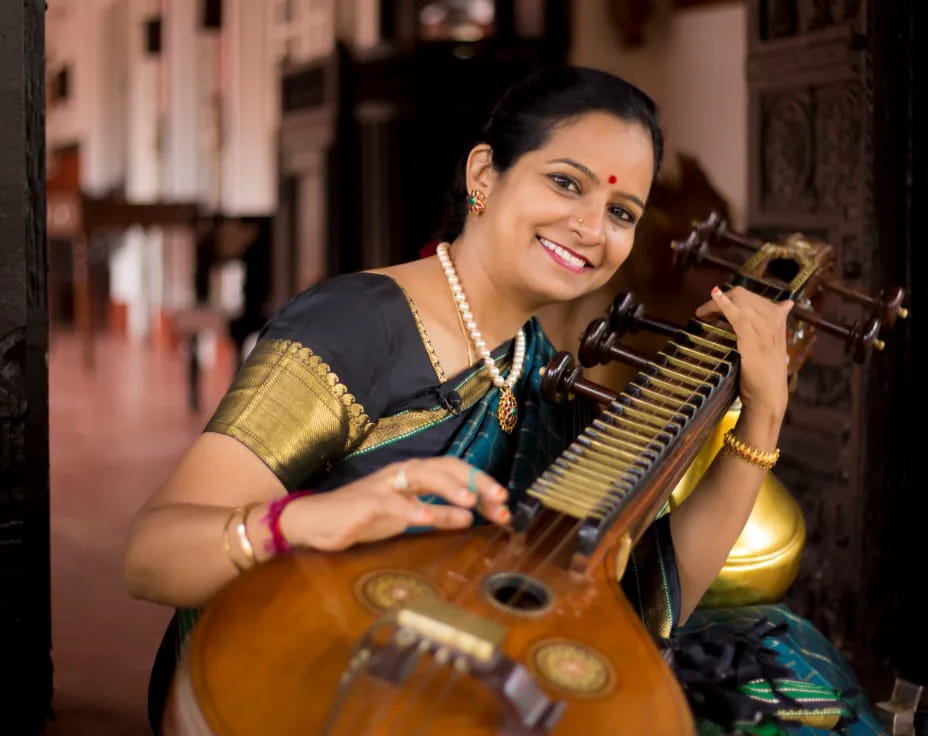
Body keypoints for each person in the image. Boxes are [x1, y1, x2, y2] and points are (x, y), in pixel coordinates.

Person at [124, 67, 878, 735]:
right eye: (565, 182)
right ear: (484, 174)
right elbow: (152, 556)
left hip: (463, 689)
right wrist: (317, 520)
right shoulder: (357, 327)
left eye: (622, 213)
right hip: (292, 684)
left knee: (794, 684)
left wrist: (764, 414)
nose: (591, 227)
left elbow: (650, 599)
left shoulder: (539, 369)